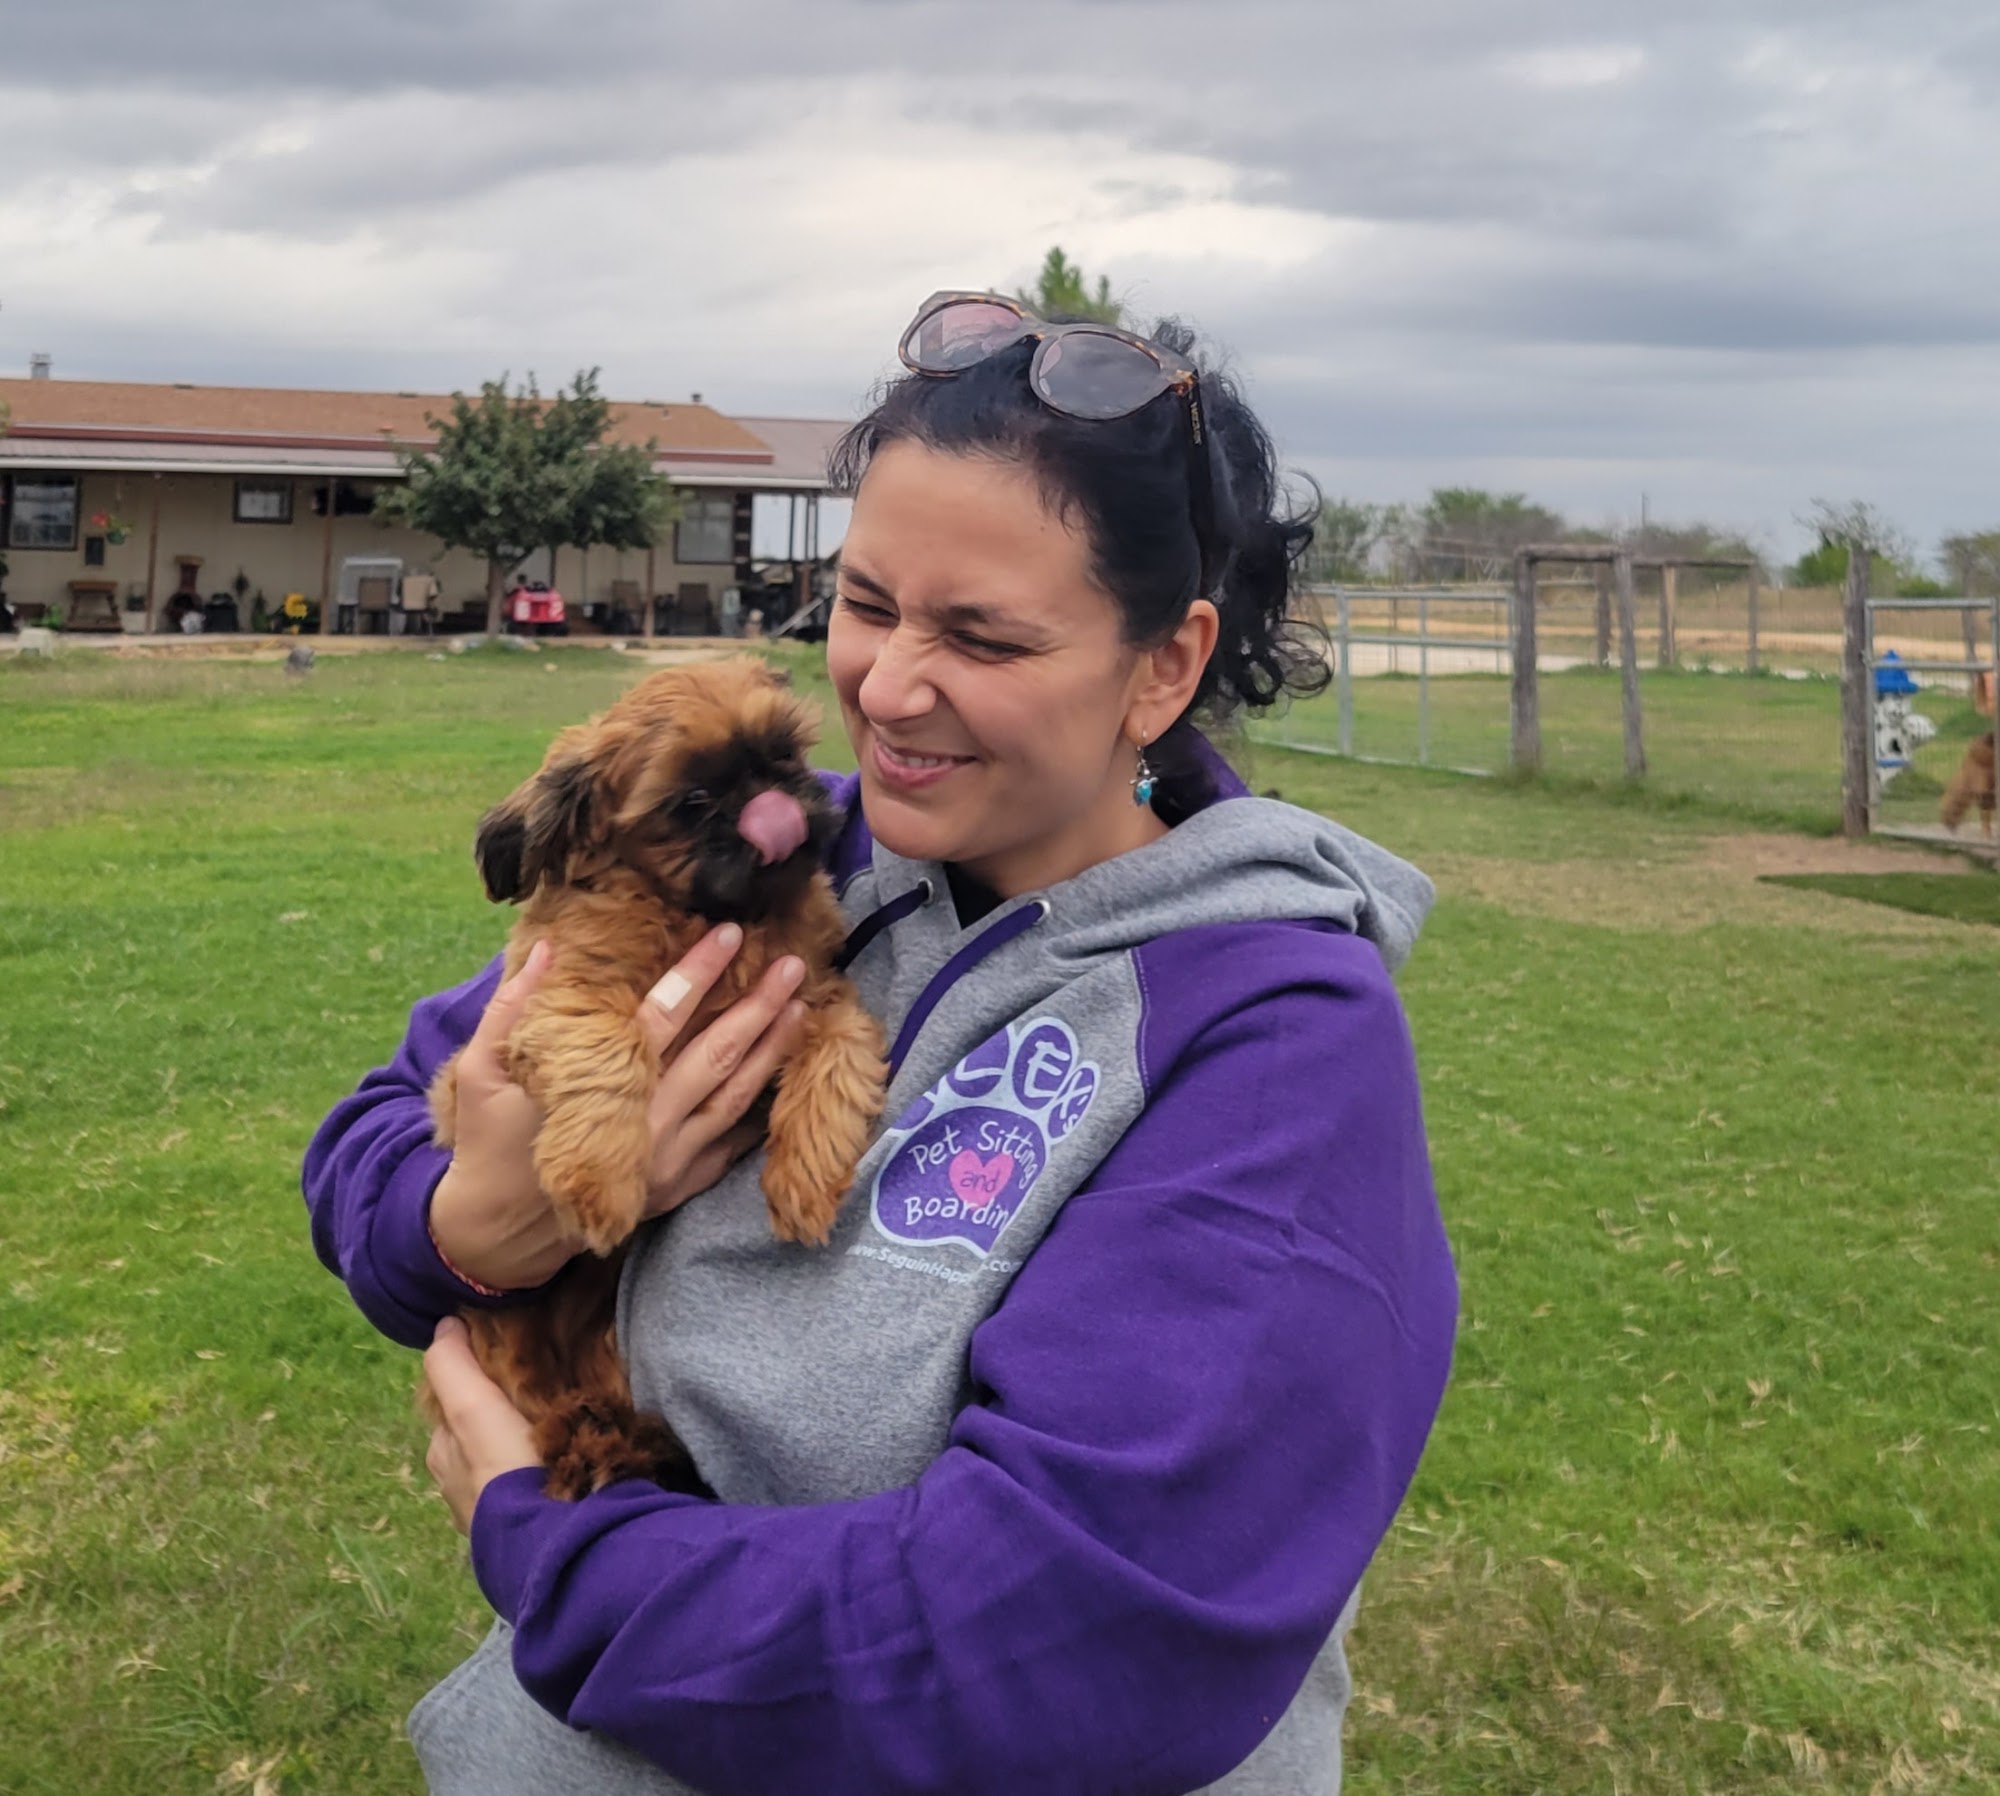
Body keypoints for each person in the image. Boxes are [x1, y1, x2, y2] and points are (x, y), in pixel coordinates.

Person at [303, 290, 1457, 1796]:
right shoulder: (793, 851)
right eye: (864, 606)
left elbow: (1069, 1634)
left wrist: (555, 1550)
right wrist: (472, 1225)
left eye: (980, 635)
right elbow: (376, 1132)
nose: (888, 691)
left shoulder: (1275, 1041)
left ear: (1165, 668)